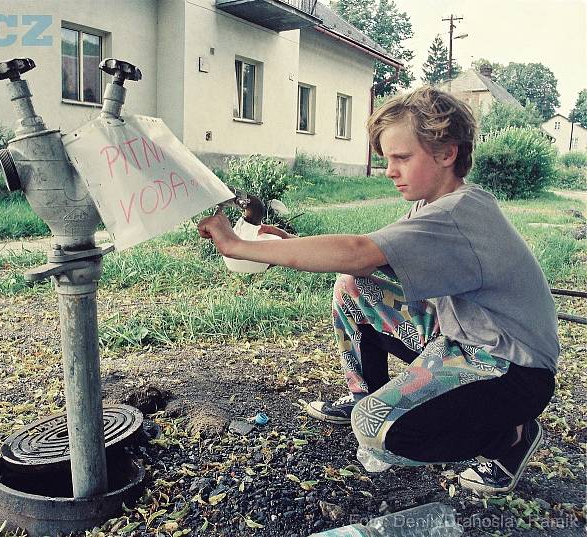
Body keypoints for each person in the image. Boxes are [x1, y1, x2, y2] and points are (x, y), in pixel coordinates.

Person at [197, 86, 558, 494]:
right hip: (460, 336)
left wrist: (239, 245)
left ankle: (509, 437)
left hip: (511, 369)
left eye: (402, 157)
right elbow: (369, 259)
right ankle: (363, 392)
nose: (390, 170)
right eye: (387, 159)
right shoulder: (435, 203)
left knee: (376, 430)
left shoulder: (457, 213)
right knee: (352, 287)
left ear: (447, 153)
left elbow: (359, 251)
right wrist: (280, 244)